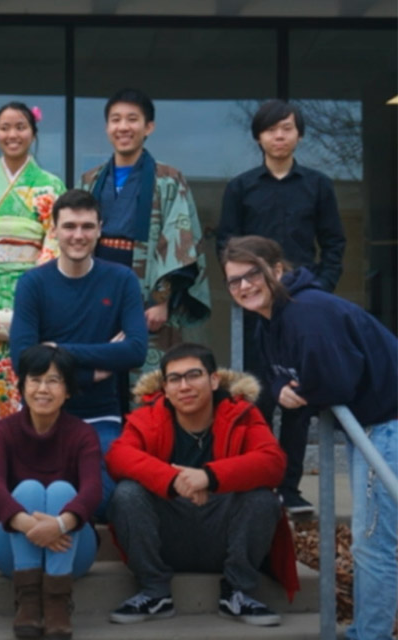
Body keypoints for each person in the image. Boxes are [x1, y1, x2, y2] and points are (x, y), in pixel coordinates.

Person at [222, 235, 397, 640]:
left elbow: (333, 381)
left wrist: (300, 391)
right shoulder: (274, 319)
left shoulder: (307, 313)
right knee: (373, 543)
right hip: (371, 425)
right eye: (234, 281)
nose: (245, 286)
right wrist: (291, 385)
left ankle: (369, 636)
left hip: (387, 424)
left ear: (277, 270)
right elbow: (279, 372)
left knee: (373, 544)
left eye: (253, 274)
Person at [106, 342, 297, 627]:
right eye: (174, 379)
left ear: (214, 379)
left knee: (263, 499)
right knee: (127, 495)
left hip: (224, 532)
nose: (184, 386)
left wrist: (208, 477)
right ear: (166, 388)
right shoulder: (149, 416)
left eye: (193, 375)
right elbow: (118, 456)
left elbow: (273, 462)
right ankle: (155, 592)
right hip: (167, 533)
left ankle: (237, 591)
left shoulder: (241, 413)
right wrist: (172, 480)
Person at [217, 100, 347, 514]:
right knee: (258, 397)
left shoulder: (318, 185)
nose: (279, 136)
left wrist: (320, 288)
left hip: (301, 306)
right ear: (258, 136)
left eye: (287, 129)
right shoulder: (241, 187)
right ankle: (254, 483)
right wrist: (242, 285)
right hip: (255, 308)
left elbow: (334, 243)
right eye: (271, 130)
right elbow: (225, 244)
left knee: (299, 400)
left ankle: (289, 489)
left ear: (299, 136)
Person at [9, 188, 147, 518]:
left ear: (100, 229)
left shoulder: (121, 280)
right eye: (69, 226)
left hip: (100, 415)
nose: (78, 235)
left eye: (87, 226)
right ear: (54, 230)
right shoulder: (32, 283)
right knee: (30, 499)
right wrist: (94, 369)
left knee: (102, 503)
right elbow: (24, 360)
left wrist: (58, 350)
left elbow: (136, 350)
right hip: (42, 415)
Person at [0, 101, 66, 502]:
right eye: (5, 128)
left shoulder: (51, 186)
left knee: (28, 382)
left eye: (20, 127)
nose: (13, 135)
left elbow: (53, 241)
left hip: (32, 292)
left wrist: (32, 292)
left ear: (32, 133)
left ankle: (30, 476)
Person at [79, 88, 210, 379]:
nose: (123, 127)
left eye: (132, 119)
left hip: (146, 284)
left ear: (148, 127)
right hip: (98, 283)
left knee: (148, 377)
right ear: (107, 127)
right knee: (98, 365)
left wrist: (161, 300)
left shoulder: (168, 179)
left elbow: (179, 240)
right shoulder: (89, 180)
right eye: (115, 120)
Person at [0, 345, 101, 640]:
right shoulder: (1, 431)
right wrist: (29, 525)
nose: (43, 389)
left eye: (53, 380)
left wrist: (59, 526)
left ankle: (57, 603)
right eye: (35, 380)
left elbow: (92, 490)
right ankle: (28, 601)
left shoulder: (83, 434)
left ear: (68, 390)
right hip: (11, 548)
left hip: (73, 552)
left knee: (63, 490)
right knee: (29, 490)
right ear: (22, 386)